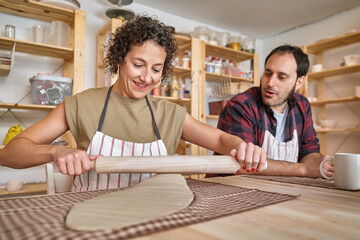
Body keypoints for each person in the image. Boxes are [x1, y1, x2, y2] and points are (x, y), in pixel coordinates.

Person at [0, 15, 267, 191]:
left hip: (154, 220)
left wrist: (243, 148)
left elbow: (222, 141)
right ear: (120, 59)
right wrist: (56, 153)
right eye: (138, 64)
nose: (146, 77)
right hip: (91, 218)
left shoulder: (170, 114)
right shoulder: (82, 104)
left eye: (156, 69)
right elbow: (9, 153)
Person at [213, 45, 334, 178]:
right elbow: (244, 164)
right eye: (268, 74)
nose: (270, 82)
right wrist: (304, 169)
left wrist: (318, 164)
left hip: (279, 188)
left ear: (299, 82)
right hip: (232, 189)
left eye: (281, 77)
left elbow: (309, 152)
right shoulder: (242, 105)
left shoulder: (302, 106)